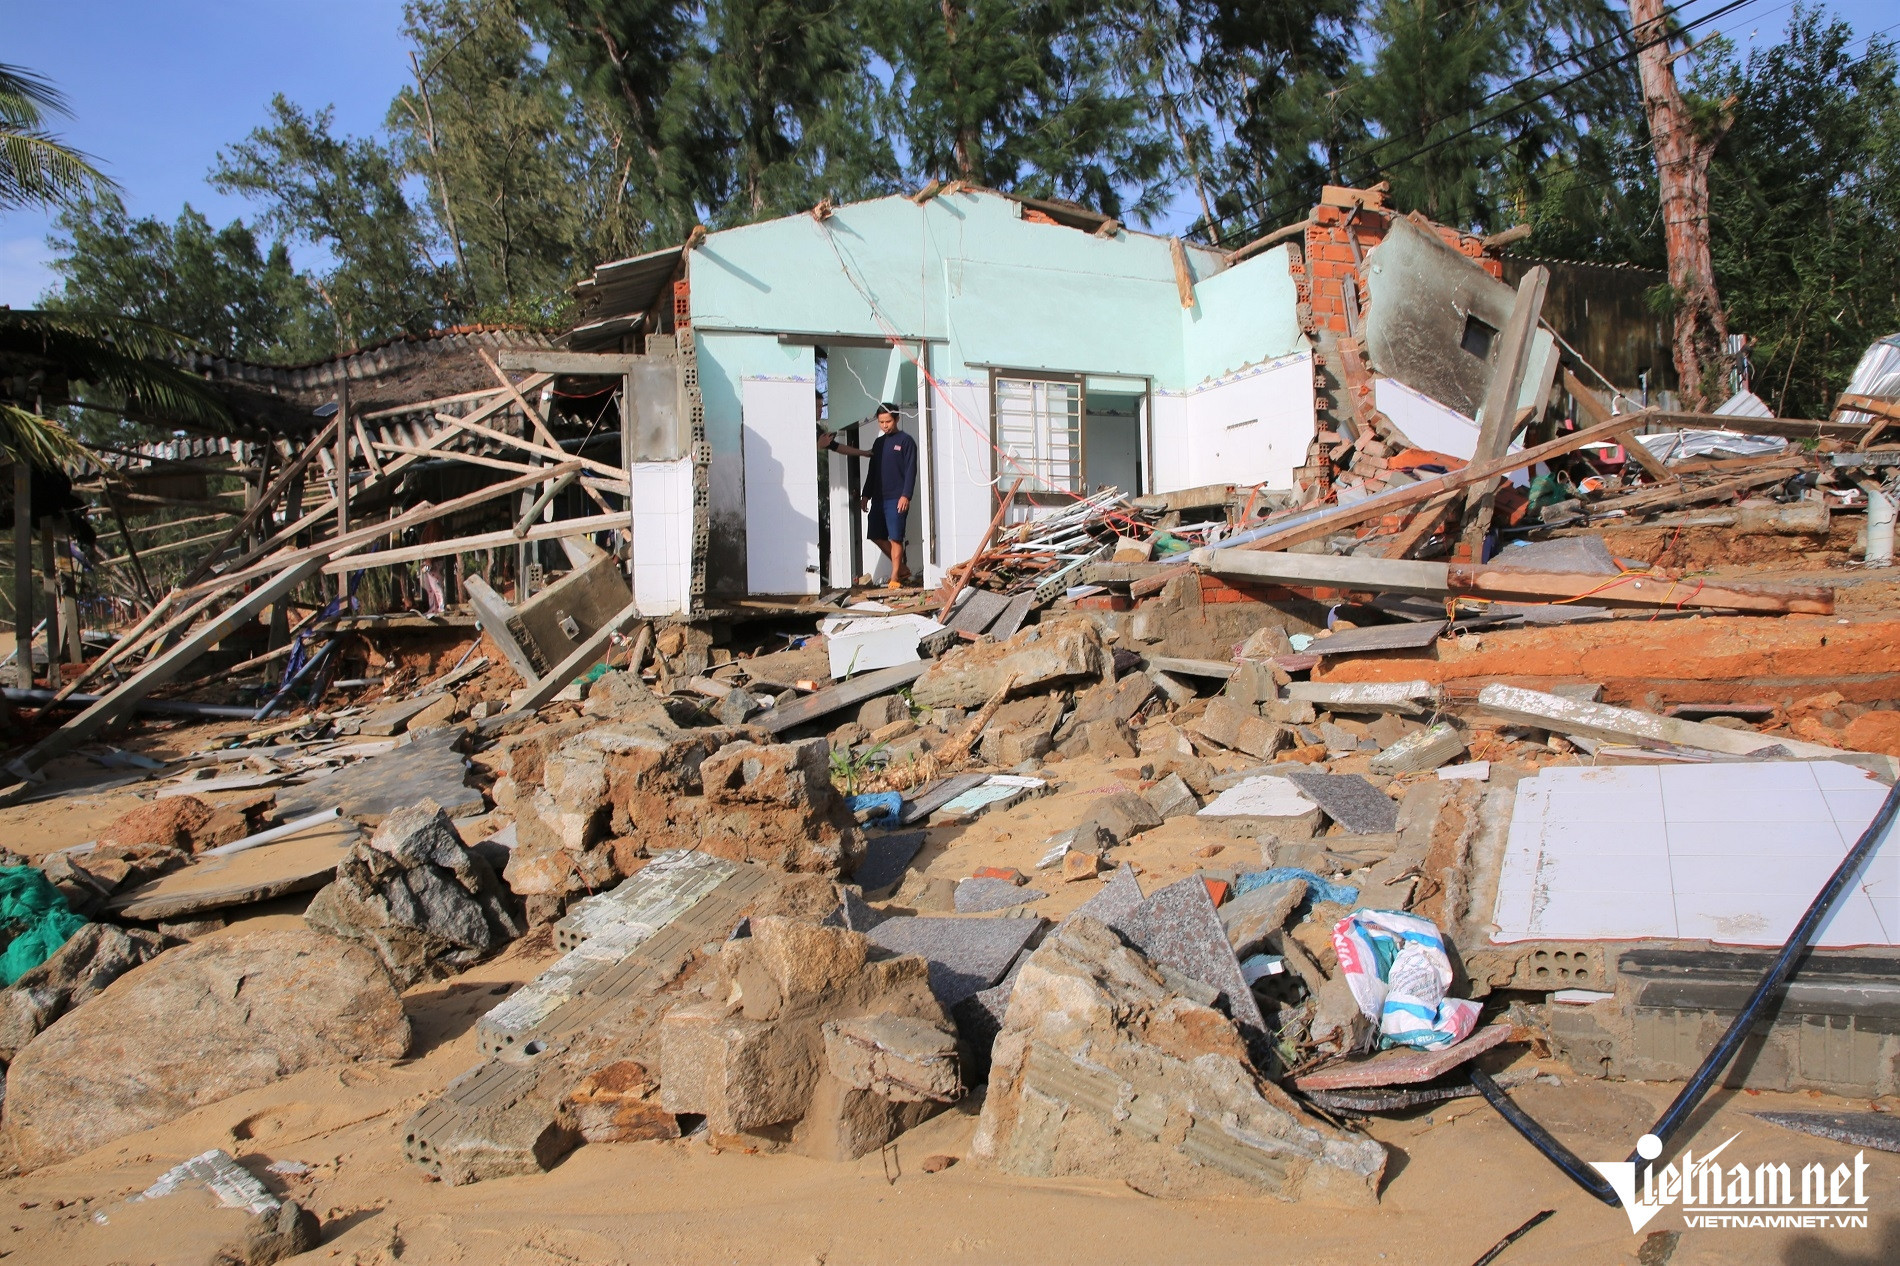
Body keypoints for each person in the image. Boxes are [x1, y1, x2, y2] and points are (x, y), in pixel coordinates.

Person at [820, 402, 917, 588]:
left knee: (896, 537)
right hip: (879, 498)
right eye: (881, 422)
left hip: (897, 498)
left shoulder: (906, 441)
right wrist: (865, 495)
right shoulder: (879, 443)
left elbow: (911, 470)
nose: (885, 425)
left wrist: (906, 495)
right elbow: (872, 471)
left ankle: (895, 577)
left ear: (896, 419)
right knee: (875, 534)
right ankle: (903, 568)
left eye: (888, 421)